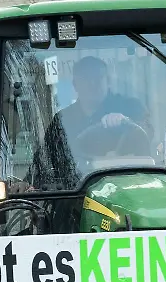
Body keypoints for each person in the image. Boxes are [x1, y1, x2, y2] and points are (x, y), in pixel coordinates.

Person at [28, 55, 152, 191]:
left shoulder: (131, 107)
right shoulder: (63, 119)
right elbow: (45, 156)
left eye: (98, 78)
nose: (92, 84)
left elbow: (149, 134)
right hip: (76, 193)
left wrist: (126, 121)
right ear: (75, 84)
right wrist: (28, 183)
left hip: (127, 187)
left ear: (108, 81)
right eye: (86, 79)